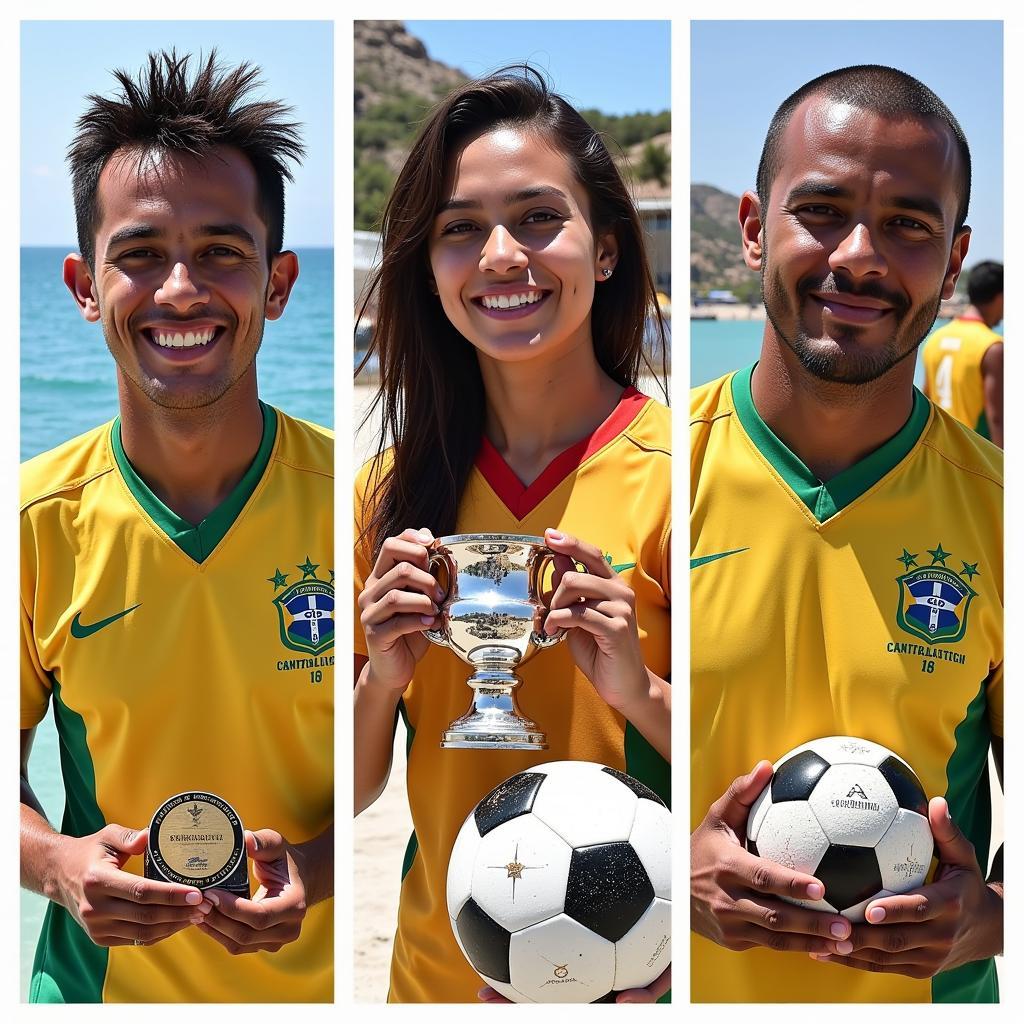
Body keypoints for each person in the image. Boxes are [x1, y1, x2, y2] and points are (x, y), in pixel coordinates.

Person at [20, 51, 334, 1003]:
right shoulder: (33, 523)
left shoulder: (358, 502)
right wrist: (59, 866)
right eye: (141, 253)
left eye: (222, 252)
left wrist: (312, 876)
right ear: (84, 284)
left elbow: (404, 761)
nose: (182, 290)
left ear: (277, 284)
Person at [353, 67, 671, 1004]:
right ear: (428, 265)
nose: (500, 254)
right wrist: (383, 672)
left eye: (539, 218)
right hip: (433, 977)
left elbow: (746, 761)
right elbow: (356, 788)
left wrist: (640, 688)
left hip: (630, 978)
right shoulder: (387, 491)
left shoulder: (683, 477)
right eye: (460, 229)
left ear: (606, 251)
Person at [690, 65, 1002, 1003]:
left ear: (952, 261)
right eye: (822, 210)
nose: (860, 255)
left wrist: (995, 913)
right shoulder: (645, 480)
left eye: (909, 224)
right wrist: (674, 865)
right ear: (753, 228)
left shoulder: (999, 511)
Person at [922, 261, 1003, 446]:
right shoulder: (992, 347)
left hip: (941, 450)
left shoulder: (936, 339)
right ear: (1000, 297)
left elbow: (925, 400)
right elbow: (997, 417)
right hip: (976, 455)